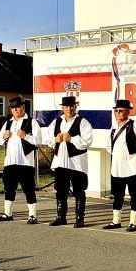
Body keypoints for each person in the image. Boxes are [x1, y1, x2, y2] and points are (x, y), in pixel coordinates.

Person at [45, 96, 93, 228]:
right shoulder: (56, 122)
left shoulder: (83, 122)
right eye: (66, 106)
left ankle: (79, 218)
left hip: (77, 163)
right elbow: (48, 139)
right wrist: (55, 139)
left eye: (72, 106)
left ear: (76, 107)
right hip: (60, 161)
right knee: (60, 190)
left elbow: (87, 142)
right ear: (62, 108)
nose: (69, 109)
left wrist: (72, 139)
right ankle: (61, 217)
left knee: (79, 190)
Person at [0, 96, 42, 224]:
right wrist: (4, 137)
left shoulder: (31, 122)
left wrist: (25, 136)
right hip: (10, 162)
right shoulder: (8, 123)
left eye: (18, 107)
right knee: (9, 188)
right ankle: (7, 213)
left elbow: (38, 141)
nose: (16, 110)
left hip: (25, 163)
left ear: (23, 107)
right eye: (13, 108)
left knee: (28, 189)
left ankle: (32, 215)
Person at [104, 99, 136, 231]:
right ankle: (116, 221)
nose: (118, 113)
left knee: (134, 195)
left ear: (128, 112)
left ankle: (133, 222)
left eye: (121, 110)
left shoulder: (135, 126)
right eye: (116, 111)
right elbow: (108, 145)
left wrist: (134, 155)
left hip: (133, 167)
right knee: (117, 195)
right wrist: (118, 154)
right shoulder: (113, 127)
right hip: (117, 168)